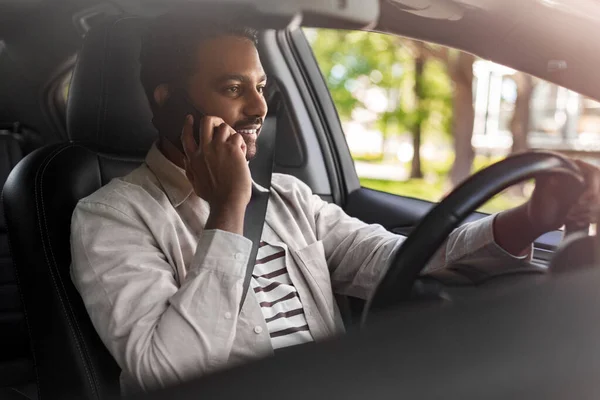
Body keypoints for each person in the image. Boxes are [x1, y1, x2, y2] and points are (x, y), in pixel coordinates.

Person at [70, 10, 600, 394]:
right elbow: (169, 376)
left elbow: (402, 259)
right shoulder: (111, 218)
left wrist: (531, 220)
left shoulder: (289, 198)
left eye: (260, 87)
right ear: (168, 97)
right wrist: (229, 212)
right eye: (233, 88)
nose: (259, 107)